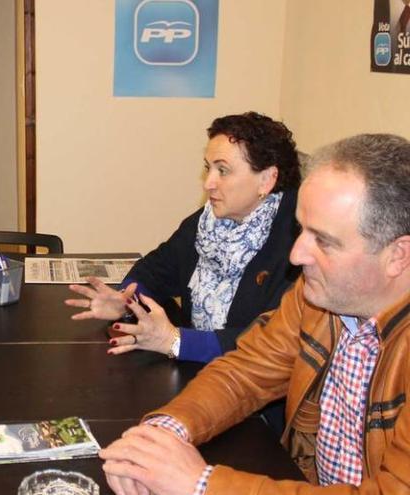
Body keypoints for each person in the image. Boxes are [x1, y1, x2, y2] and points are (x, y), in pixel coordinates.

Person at [99, 133, 410, 494]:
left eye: (323, 240)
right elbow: (245, 372)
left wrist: (200, 484)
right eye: (301, 230)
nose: (297, 255)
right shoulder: (318, 300)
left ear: (399, 256)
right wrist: (164, 431)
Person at [66, 112, 302, 363]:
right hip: (197, 369)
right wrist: (126, 300)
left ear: (266, 180)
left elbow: (273, 341)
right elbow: (156, 270)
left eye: (223, 170)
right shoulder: (208, 221)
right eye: (208, 168)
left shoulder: (298, 244)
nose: (208, 183)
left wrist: (176, 341)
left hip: (254, 390)